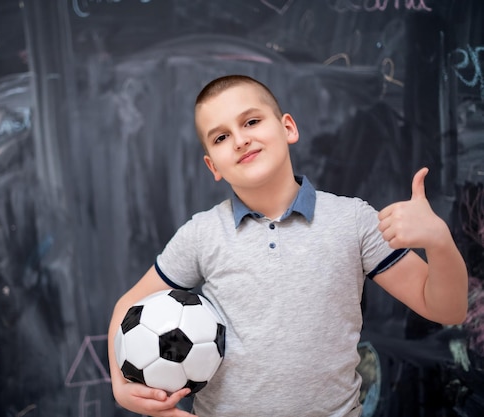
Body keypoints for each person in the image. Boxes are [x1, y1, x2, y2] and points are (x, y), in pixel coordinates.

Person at [107, 74, 468, 417]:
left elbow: (446, 310)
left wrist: (439, 242)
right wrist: (121, 386)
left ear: (288, 128)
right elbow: (128, 304)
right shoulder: (202, 234)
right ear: (212, 165)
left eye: (251, 122)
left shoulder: (352, 220)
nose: (240, 139)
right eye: (220, 138)